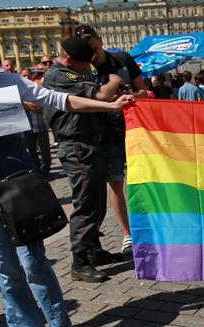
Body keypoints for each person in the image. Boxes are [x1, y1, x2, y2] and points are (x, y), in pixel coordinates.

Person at [0, 18, 133, 327]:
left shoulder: (7, 81)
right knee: (5, 270)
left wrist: (109, 105)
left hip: (19, 185)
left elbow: (59, 99)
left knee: (34, 263)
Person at [42, 36, 128, 281]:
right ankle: (79, 262)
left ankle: (92, 251)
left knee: (97, 202)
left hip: (90, 143)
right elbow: (100, 95)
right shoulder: (59, 75)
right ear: (70, 59)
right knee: (86, 204)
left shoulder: (74, 72)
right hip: (77, 145)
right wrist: (114, 80)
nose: (87, 69)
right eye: (83, 65)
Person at [75, 24, 148, 257]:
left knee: (145, 179)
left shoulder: (122, 59)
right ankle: (128, 235)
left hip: (135, 128)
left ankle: (150, 227)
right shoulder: (83, 69)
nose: (90, 48)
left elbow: (144, 92)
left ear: (99, 39)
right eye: (84, 44)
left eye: (91, 41)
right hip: (105, 134)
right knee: (116, 184)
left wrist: (128, 98)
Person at [20, 68, 51, 177]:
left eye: (28, 75)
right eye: (24, 75)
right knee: (31, 150)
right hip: (26, 127)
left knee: (45, 149)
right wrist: (28, 104)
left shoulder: (38, 88)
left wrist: (23, 104)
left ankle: (46, 169)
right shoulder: (17, 91)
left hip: (40, 125)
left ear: (32, 76)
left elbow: (38, 106)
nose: (26, 77)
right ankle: (37, 170)